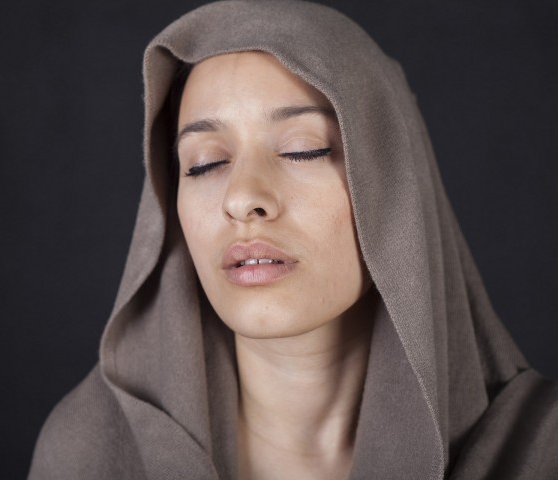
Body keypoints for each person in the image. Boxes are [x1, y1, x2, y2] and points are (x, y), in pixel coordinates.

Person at [28, 1, 556, 479]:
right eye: (205, 163)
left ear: (395, 184)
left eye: (303, 150)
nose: (243, 198)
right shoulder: (89, 456)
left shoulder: (543, 454)